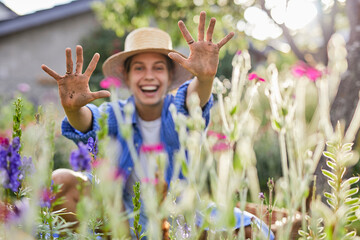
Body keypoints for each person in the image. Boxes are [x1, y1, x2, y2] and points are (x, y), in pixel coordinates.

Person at [41, 11, 274, 239]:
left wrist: (204, 78)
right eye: (139, 68)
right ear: (128, 76)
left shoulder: (178, 110)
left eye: (158, 68)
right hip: (119, 215)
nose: (149, 75)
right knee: (60, 181)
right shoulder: (117, 113)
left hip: (180, 216)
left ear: (170, 75)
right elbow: (89, 123)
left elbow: (195, 99)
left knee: (255, 231)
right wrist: (73, 110)